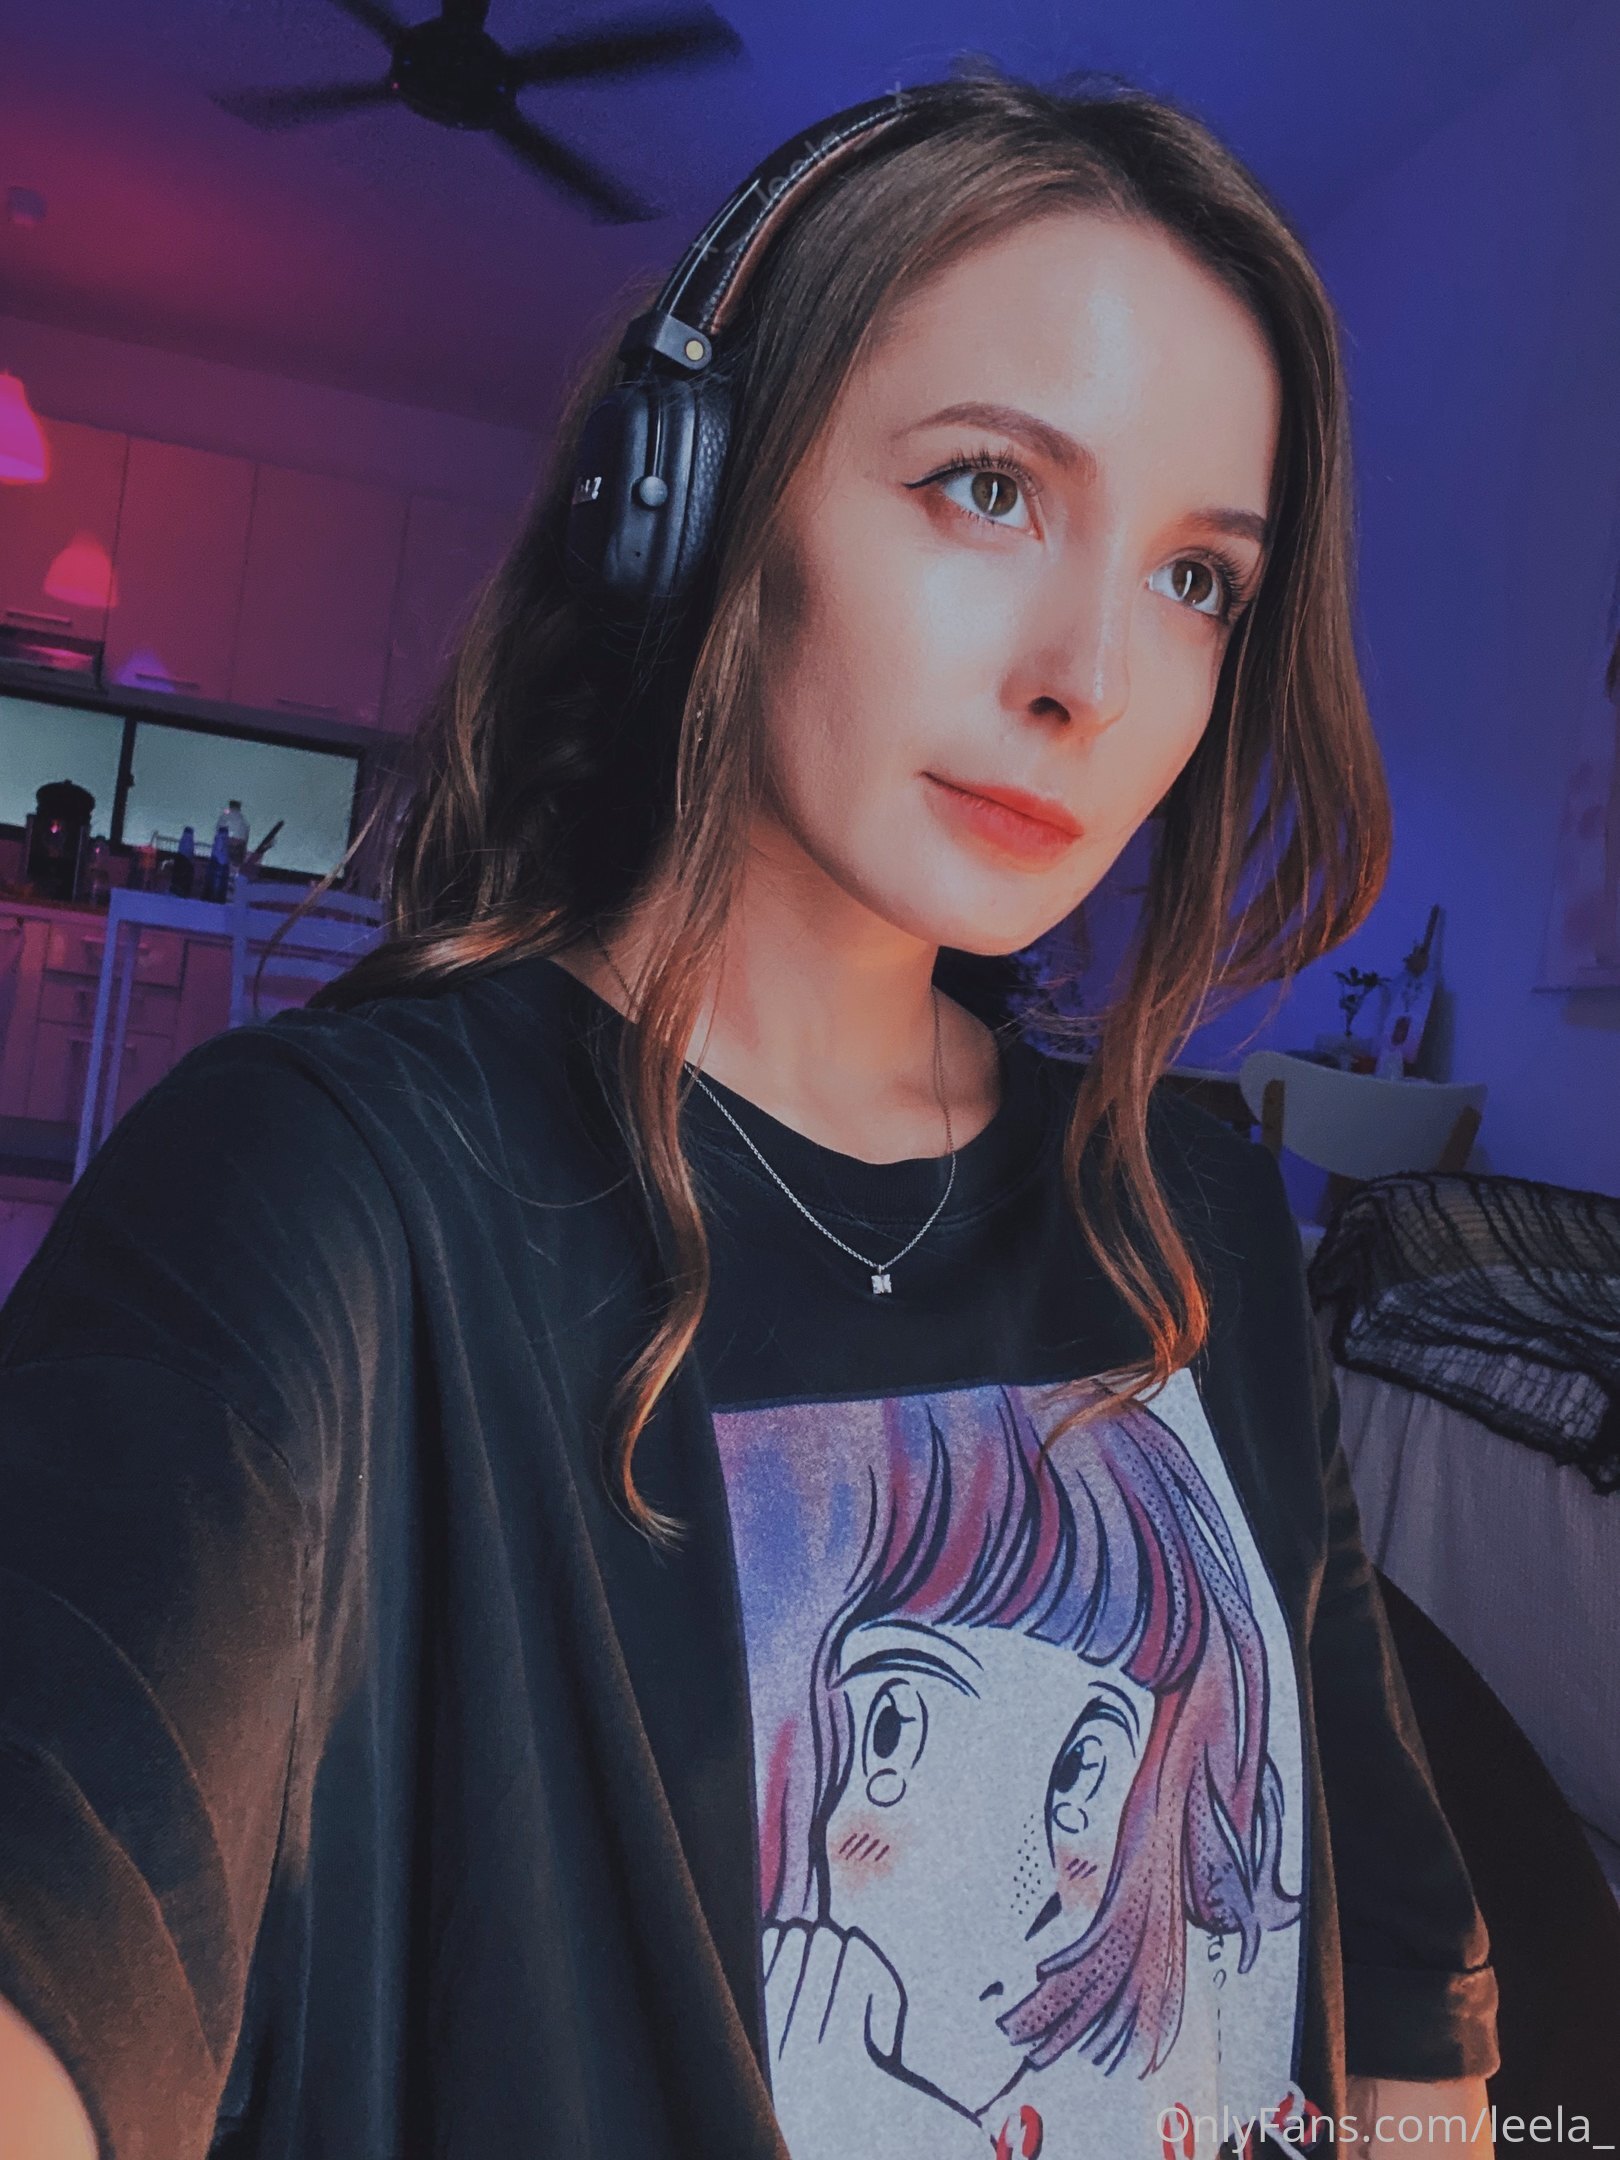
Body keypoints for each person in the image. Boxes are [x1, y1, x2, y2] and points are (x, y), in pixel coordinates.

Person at [0, 70, 1500, 2160]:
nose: (1091, 676)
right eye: (990, 487)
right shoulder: (321, 1193)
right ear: (693, 504)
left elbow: (1398, 1952)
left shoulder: (1204, 1210)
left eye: (1195, 579)